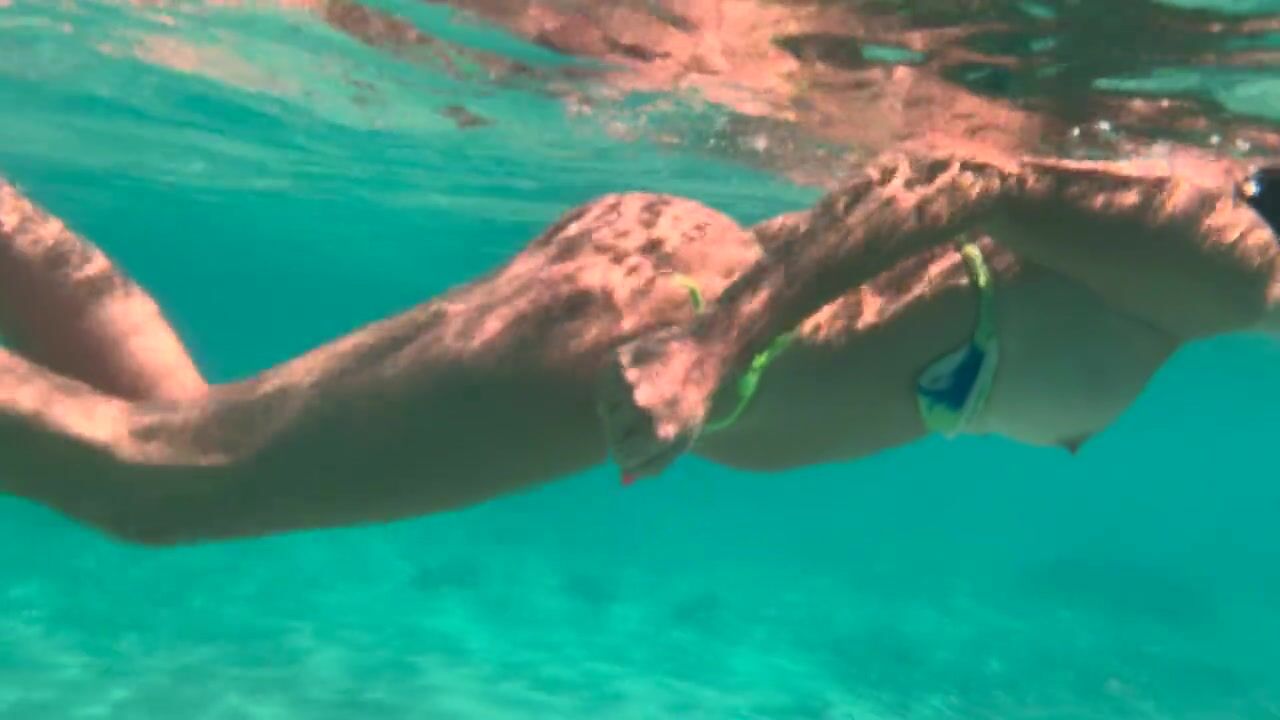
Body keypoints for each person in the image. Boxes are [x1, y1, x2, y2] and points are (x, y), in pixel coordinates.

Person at [1, 138, 1277, 546]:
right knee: (154, 483)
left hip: (656, 290)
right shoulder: (1233, 257)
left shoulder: (1217, 267)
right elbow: (950, 174)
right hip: (653, 321)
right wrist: (711, 353)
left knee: (171, 429)